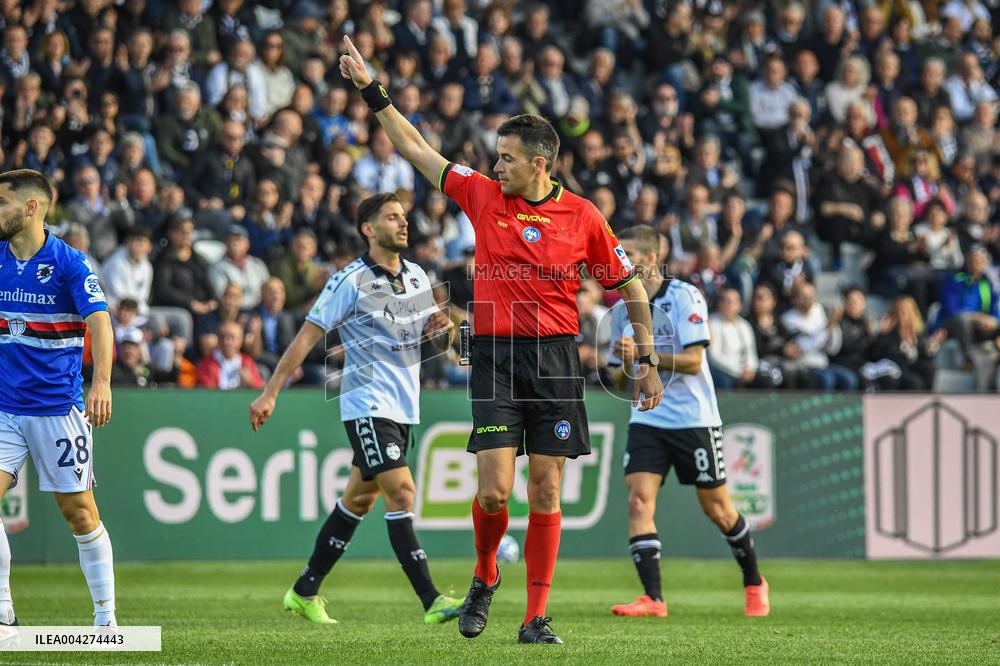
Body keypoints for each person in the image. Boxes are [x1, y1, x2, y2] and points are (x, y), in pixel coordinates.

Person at [338, 35, 662, 645]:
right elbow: (416, 148)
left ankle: (535, 617)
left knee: (546, 487)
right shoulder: (483, 196)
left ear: (540, 163)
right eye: (495, 156)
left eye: (507, 158)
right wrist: (371, 90)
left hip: (558, 359)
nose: (496, 167)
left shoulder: (586, 217)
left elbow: (633, 290)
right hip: (494, 357)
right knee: (493, 492)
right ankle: (485, 576)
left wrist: (644, 358)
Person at [248, 193, 463, 626]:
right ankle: (431, 599)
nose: (403, 223)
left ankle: (304, 591)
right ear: (369, 228)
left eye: (403, 216)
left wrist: (445, 331)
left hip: (404, 405)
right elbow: (307, 337)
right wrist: (271, 391)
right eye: (392, 217)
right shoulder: (349, 280)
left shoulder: (418, 276)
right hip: (366, 402)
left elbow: (436, 342)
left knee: (359, 499)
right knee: (401, 492)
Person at [606, 226, 768, 618]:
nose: (618, 261)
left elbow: (696, 362)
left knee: (718, 510)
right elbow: (616, 378)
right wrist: (627, 363)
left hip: (695, 418)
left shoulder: (683, 296)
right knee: (638, 501)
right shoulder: (620, 308)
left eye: (625, 254)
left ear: (647, 258)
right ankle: (654, 598)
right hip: (648, 416)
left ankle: (754, 582)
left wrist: (646, 357)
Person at [0, 169, 117, 626]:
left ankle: (106, 617)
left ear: (31, 208)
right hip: (5, 407)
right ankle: (4, 614)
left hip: (56, 409)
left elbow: (101, 322)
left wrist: (102, 381)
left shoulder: (70, 263)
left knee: (80, 513)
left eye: (2, 202)